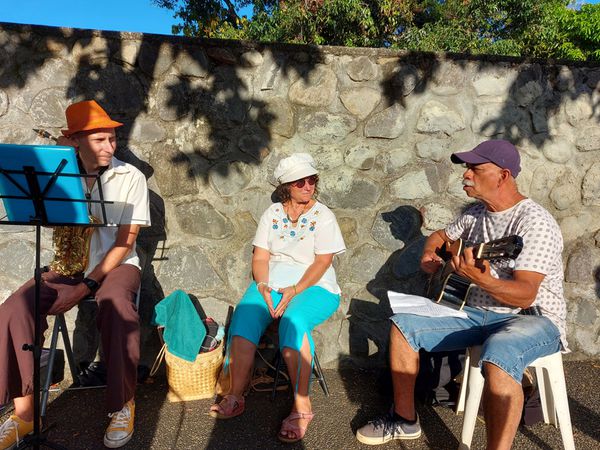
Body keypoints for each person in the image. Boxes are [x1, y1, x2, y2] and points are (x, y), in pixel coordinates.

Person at [356, 140, 567, 449]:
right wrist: (430, 255)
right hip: (476, 312)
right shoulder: (476, 213)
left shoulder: (535, 223)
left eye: (475, 168)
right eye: (466, 168)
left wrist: (482, 280)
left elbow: (524, 294)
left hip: (530, 317)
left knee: (499, 352)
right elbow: (441, 237)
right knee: (403, 325)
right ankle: (405, 419)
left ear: (503, 176)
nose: (466, 175)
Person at [0, 100, 150, 449]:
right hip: (69, 264)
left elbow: (126, 241)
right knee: (14, 308)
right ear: (75, 141)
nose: (110, 147)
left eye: (112, 139)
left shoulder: (131, 177)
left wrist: (84, 288)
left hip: (116, 264)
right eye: (100, 140)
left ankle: (122, 404)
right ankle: (24, 414)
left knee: (116, 304)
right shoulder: (57, 178)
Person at [209, 153, 346, 443]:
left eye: (312, 180)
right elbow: (260, 257)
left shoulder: (323, 216)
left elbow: (322, 262)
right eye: (301, 182)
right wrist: (262, 286)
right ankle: (236, 394)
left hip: (315, 285)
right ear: (287, 186)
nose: (308, 186)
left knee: (293, 322)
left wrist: (295, 290)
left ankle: (302, 407)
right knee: (245, 317)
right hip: (271, 283)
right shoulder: (272, 214)